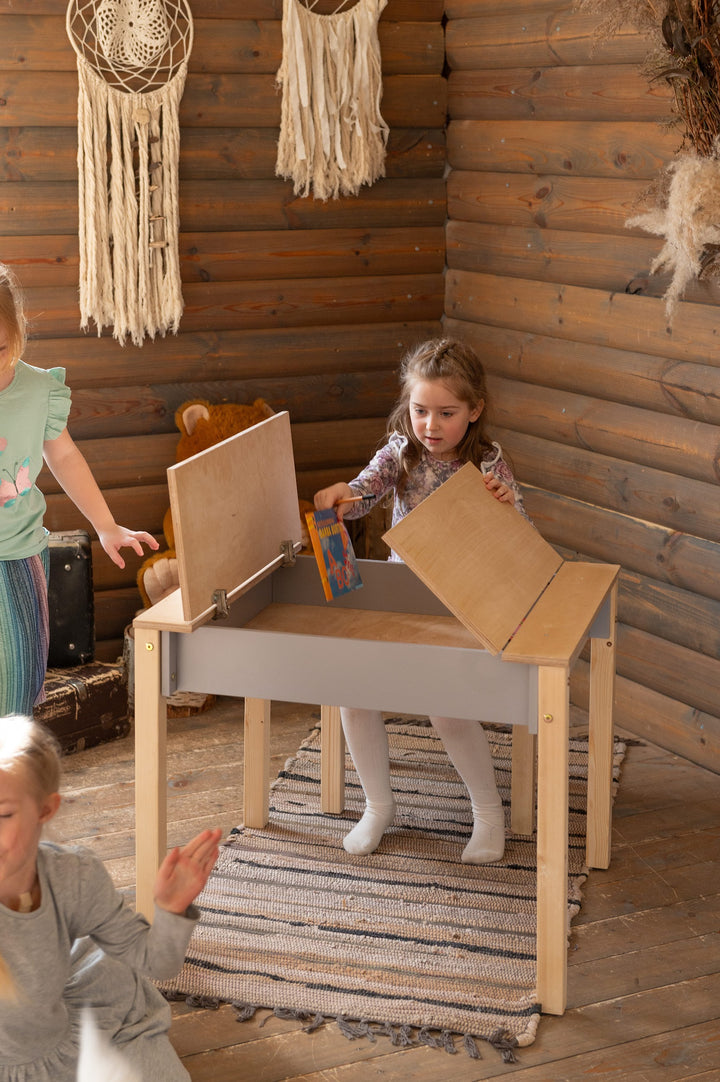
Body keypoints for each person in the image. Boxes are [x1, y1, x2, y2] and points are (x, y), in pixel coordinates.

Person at [314, 337, 528, 864]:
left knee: (447, 708)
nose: (430, 425)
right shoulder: (400, 452)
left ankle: (488, 814)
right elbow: (364, 495)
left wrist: (507, 505)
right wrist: (343, 497)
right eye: (419, 410)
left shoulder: (488, 463)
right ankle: (378, 806)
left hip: (463, 602)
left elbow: (518, 538)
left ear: (474, 411)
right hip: (403, 597)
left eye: (446, 413)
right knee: (354, 695)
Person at [0, 713, 222, 1081]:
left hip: (61, 1040)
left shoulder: (73, 877)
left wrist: (170, 909)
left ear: (44, 809)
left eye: (2, 814)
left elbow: (156, 962)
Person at [0, 262, 159, 714]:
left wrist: (106, 526)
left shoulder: (37, 390)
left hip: (17, 558)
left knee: (15, 698)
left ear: (18, 334)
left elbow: (65, 456)